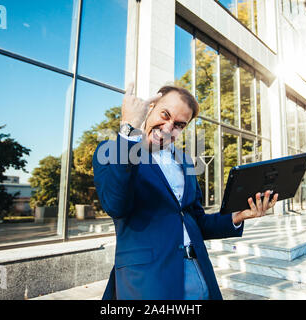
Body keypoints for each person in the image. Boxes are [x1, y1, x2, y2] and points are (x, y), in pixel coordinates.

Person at [92, 82, 278, 300]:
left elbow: (196, 220)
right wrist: (129, 128)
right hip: (149, 281)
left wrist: (239, 215)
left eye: (179, 124)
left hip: (199, 272)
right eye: (165, 114)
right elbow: (116, 204)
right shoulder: (113, 151)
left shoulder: (185, 162)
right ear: (149, 108)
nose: (168, 128)